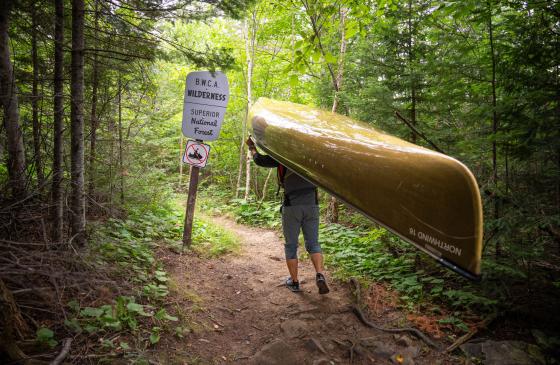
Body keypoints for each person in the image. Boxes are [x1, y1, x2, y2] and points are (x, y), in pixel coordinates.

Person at [246, 137, 329, 294]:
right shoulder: (311, 159)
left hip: (292, 206)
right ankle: (319, 274)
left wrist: (252, 147)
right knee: (313, 243)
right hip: (312, 205)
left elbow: (260, 160)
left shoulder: (284, 156)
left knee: (291, 245)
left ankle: (295, 282)